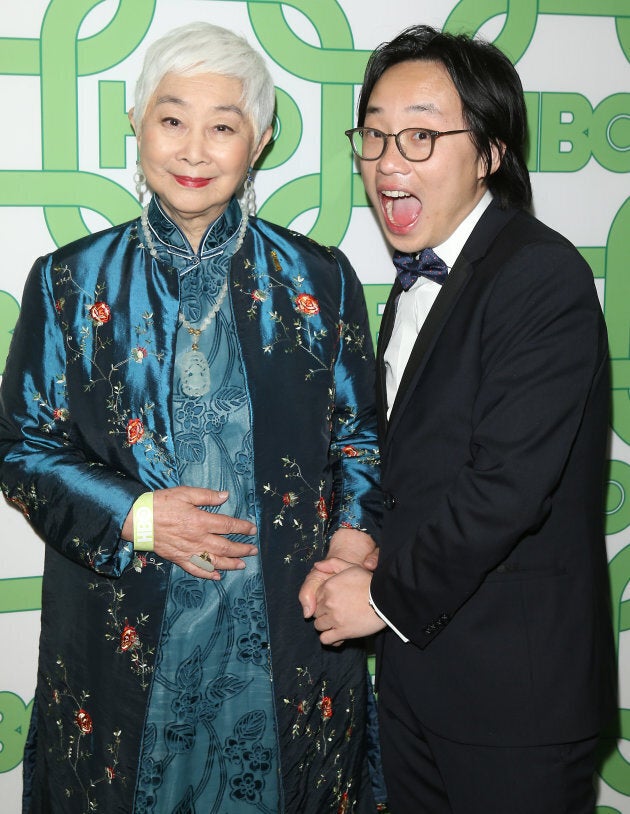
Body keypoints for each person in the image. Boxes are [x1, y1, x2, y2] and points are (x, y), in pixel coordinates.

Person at [0, 22, 384, 813]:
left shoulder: (321, 278)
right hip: (125, 636)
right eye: (172, 119)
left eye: (224, 125)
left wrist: (350, 543)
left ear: (262, 139)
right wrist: (134, 515)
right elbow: (20, 447)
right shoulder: (67, 281)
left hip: (284, 636)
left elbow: (360, 437)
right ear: (137, 122)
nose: (194, 150)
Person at [305, 24, 616, 813]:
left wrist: (376, 601)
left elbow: (505, 489)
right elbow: (417, 470)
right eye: (373, 136)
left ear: (490, 153)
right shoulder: (411, 286)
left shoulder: (541, 275)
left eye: (419, 135)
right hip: (420, 679)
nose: (387, 161)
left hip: (516, 698)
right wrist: (358, 542)